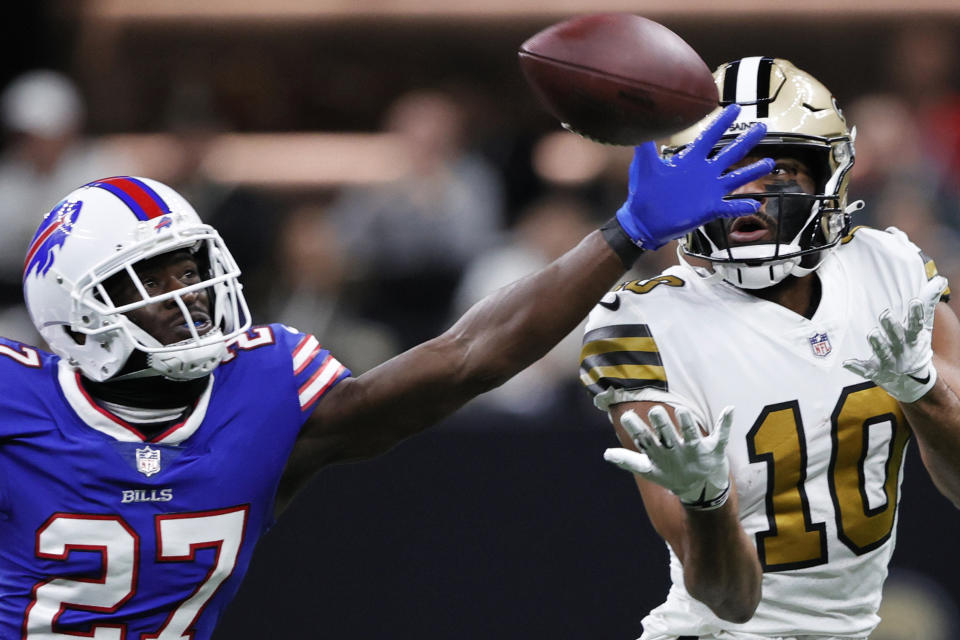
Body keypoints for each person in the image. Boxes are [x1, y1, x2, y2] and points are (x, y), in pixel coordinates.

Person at [3, 103, 773, 638]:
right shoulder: (17, 398)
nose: (188, 296)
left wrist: (626, 230)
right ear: (75, 312)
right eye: (151, 282)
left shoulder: (260, 390)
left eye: (188, 267)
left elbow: (465, 359)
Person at [581, 57, 960, 640]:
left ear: (826, 176)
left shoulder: (892, 272)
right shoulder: (642, 324)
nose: (750, 195)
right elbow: (730, 601)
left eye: (778, 171)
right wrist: (706, 503)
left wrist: (924, 391)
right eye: (726, 171)